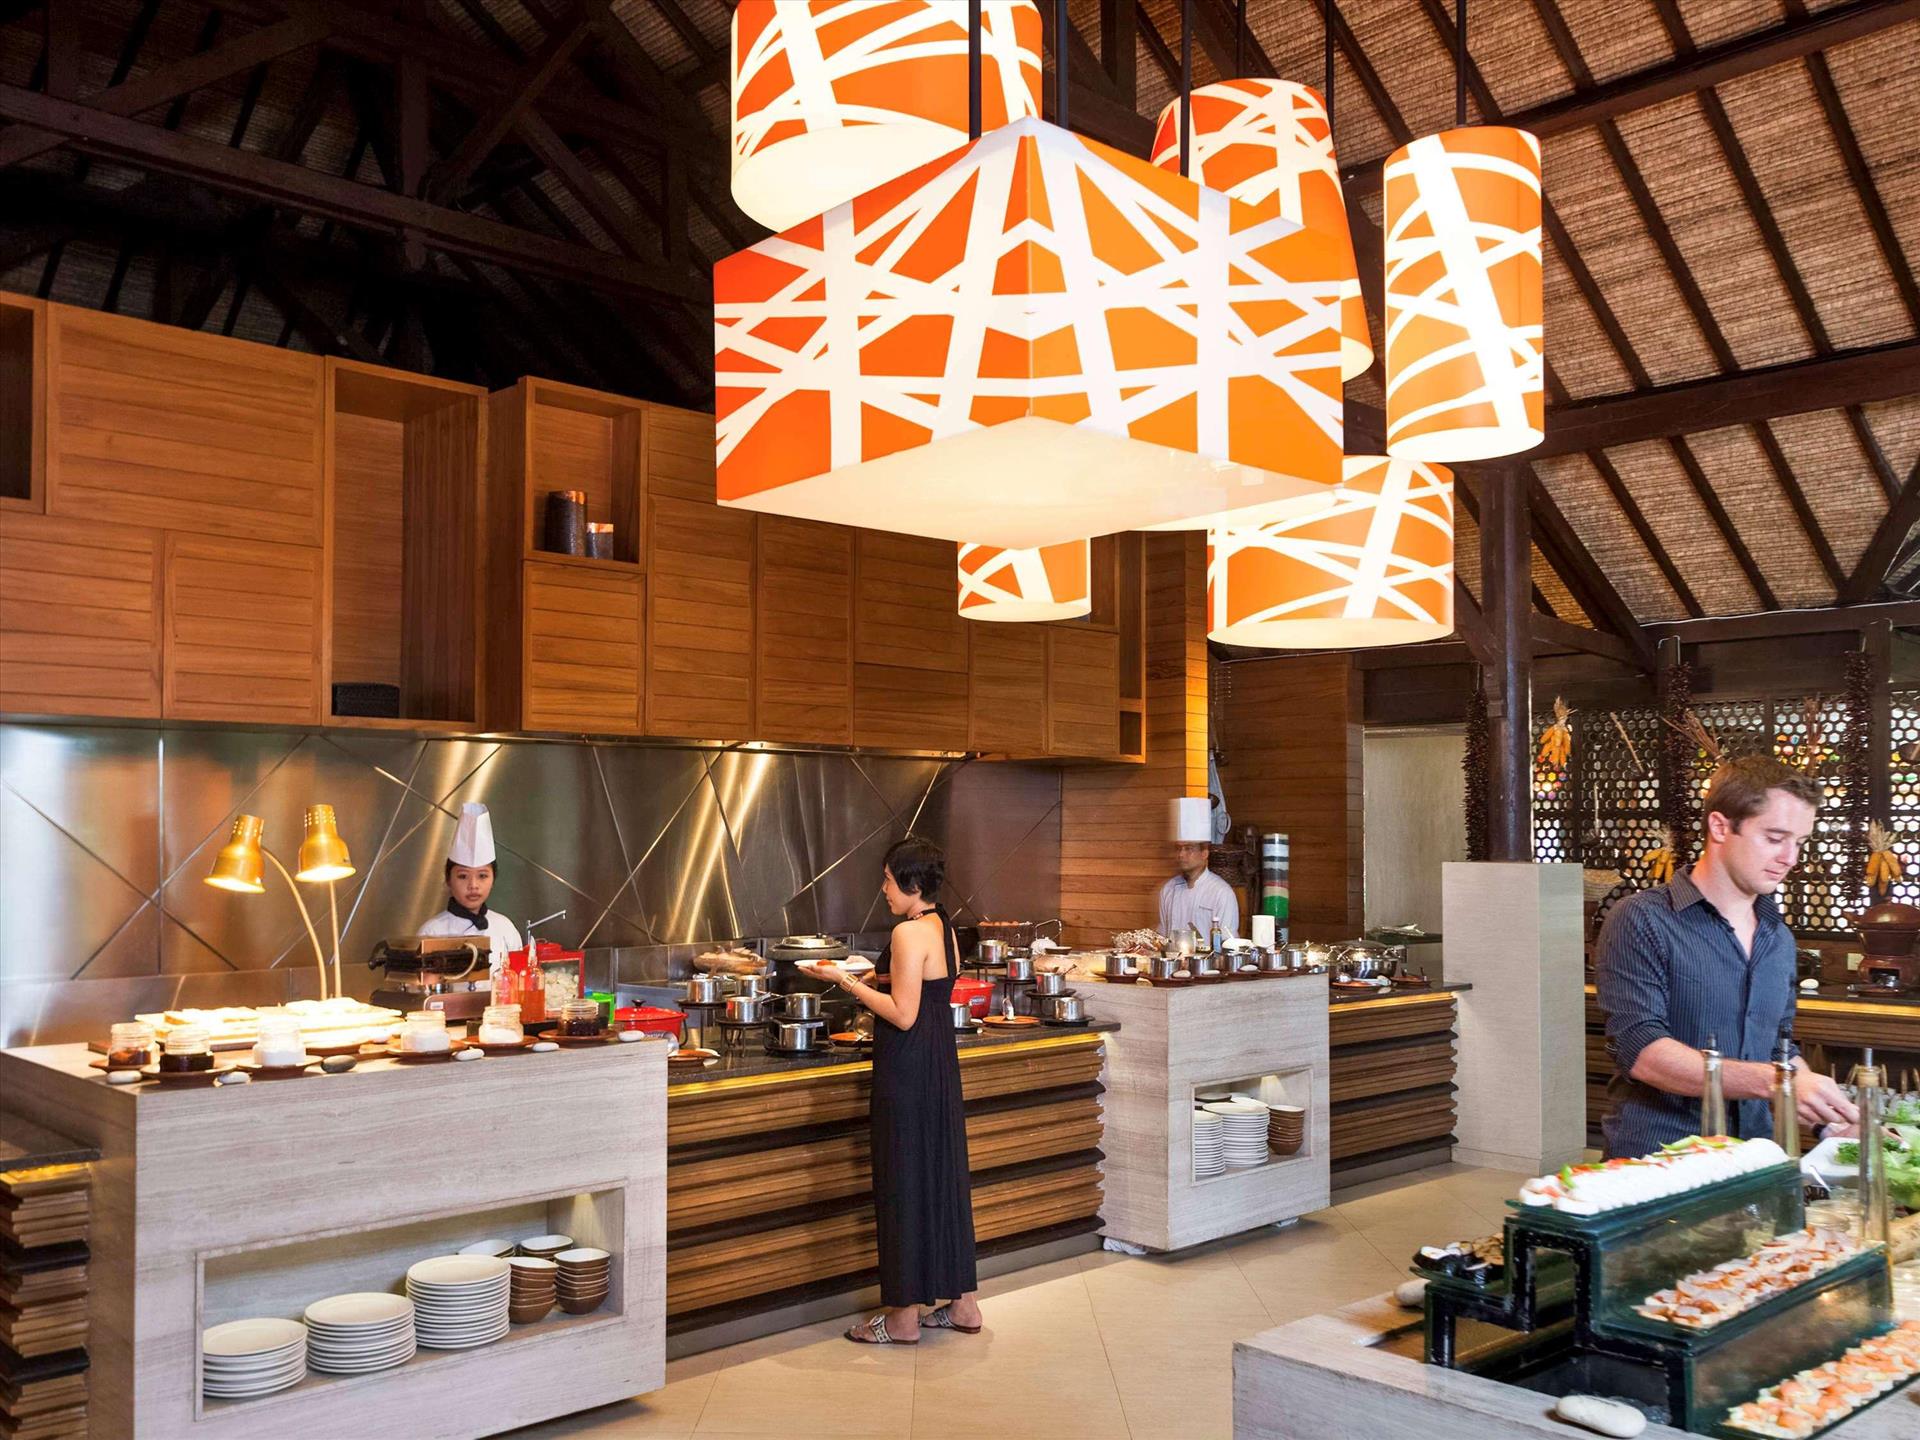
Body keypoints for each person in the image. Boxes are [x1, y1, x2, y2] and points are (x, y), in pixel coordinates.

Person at [1595, 756, 1857, 1158]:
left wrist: (1835, 1122)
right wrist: (1779, 1081)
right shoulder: (1642, 919)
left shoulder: (1778, 938)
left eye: (1800, 842)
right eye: (1775, 838)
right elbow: (1644, 1052)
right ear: (1720, 826)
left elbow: (1779, 1048)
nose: (1791, 857)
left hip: (1755, 1157)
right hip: (1660, 1161)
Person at [807, 837, 980, 1344]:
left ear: (911, 883)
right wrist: (872, 974)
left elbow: (903, 1014)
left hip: (906, 1070)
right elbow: (927, 987)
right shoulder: (942, 925)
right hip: (939, 1068)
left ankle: (903, 1318)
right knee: (941, 1180)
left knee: (903, 1182)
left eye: (887, 880)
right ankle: (963, 1306)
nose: (882, 889)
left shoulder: (907, 932)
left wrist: (845, 982)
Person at [417, 803, 523, 983]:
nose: (473, 885)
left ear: (493, 879)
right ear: (448, 879)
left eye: (482, 876)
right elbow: (420, 991)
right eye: (463, 876)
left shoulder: (506, 928)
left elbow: (519, 984)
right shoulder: (431, 932)